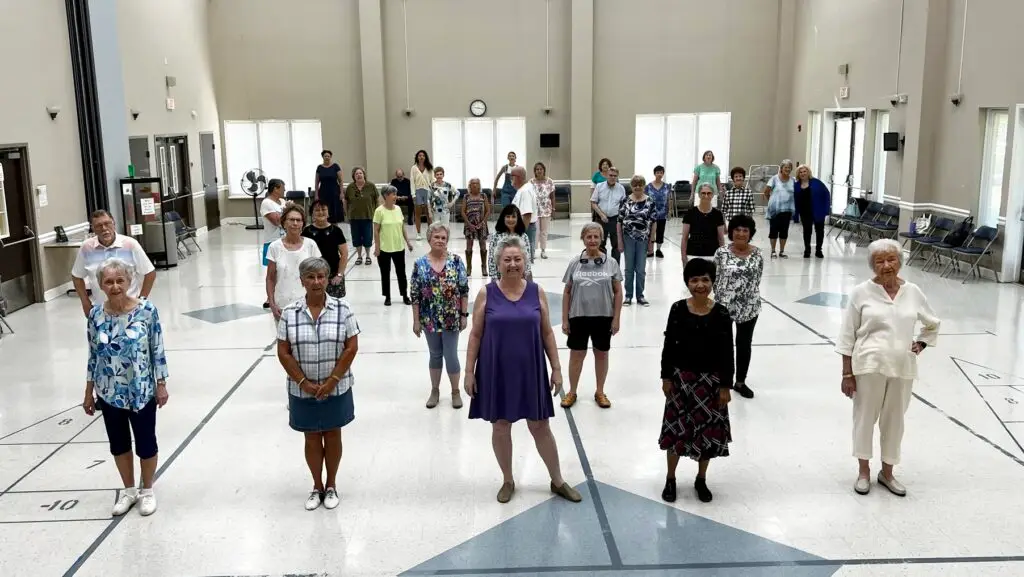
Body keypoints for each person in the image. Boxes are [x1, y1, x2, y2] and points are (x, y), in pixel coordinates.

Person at [465, 235, 583, 505]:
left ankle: (557, 480)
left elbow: (547, 334)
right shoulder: (487, 293)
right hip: (497, 371)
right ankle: (507, 479)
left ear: (525, 262)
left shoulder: (536, 291)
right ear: (498, 263)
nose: (513, 264)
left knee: (540, 426)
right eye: (507, 259)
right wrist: (469, 371)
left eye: (518, 259)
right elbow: (475, 336)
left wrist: (556, 368)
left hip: (531, 370)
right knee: (501, 425)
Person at [836, 239, 940, 497]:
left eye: (891, 259)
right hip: (868, 367)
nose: (886, 265)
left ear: (900, 262)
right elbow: (847, 335)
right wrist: (846, 373)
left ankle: (887, 473)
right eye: (880, 261)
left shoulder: (913, 292)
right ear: (872, 265)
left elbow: (932, 323)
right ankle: (863, 472)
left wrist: (922, 343)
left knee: (895, 422)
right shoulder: (861, 292)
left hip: (902, 367)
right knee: (864, 419)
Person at [83, 258, 169, 517]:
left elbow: (158, 350)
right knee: (118, 444)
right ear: (100, 285)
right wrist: (89, 392)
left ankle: (147, 490)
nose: (115, 286)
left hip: (141, 390)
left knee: (146, 442)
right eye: (108, 281)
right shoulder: (96, 315)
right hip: (109, 391)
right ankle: (130, 490)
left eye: (120, 280)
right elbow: (93, 354)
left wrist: (161, 384)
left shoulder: (146, 311)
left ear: (130, 281)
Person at [277, 257, 360, 511]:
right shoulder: (290, 313)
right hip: (302, 390)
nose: (316, 282)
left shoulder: (343, 309)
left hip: (337, 387)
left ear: (327, 279)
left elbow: (351, 346)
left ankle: (332, 484)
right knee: (311, 438)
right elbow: (283, 352)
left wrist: (333, 379)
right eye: (310, 277)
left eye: (321, 276)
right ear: (302, 281)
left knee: (333, 434)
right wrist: (303, 382)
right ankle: (317, 486)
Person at [659, 258, 734, 504]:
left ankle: (701, 478)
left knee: (706, 433)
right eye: (694, 280)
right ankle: (671, 478)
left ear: (712, 282)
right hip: (681, 380)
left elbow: (727, 351)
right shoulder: (678, 309)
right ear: (687, 283)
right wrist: (666, 376)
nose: (700, 285)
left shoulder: (722, 313)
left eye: (705, 280)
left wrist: (725, 385)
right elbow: (669, 344)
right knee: (676, 431)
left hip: (710, 384)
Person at [560, 223, 623, 409]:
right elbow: (567, 292)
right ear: (583, 239)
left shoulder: (611, 263)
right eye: (589, 237)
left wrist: (616, 318)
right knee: (576, 354)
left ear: (601, 239)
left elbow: (618, 292)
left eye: (596, 237)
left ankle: (600, 391)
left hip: (604, 316)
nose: (593, 240)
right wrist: (565, 319)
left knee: (601, 354)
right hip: (579, 316)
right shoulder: (574, 263)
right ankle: (572, 392)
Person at [410, 223, 470, 410]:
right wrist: (416, 320)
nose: (440, 241)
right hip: (429, 318)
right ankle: (435, 390)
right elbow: (415, 294)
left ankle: (455, 391)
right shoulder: (419, 264)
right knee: (435, 355)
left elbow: (463, 290)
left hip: (451, 317)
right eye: (436, 237)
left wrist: (463, 315)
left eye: (443, 238)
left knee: (451, 355)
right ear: (429, 239)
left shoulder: (456, 261)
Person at [713, 215, 763, 399]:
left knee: (744, 344)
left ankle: (740, 382)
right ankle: (723, 381)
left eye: (745, 230)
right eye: (737, 230)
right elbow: (716, 278)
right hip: (724, 306)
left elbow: (758, 278)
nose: (741, 233)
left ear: (750, 234)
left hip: (749, 307)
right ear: (731, 232)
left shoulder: (758, 253)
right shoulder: (721, 253)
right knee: (724, 346)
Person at [72, 210, 156, 317]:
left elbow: (150, 273)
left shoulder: (130, 244)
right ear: (93, 229)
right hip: (101, 311)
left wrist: (141, 300)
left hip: (130, 310)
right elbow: (76, 276)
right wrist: (85, 302)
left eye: (107, 223)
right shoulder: (86, 248)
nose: (104, 228)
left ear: (113, 223)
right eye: (99, 226)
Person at [266, 206, 322, 322]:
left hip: (308, 305)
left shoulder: (311, 245)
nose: (295, 223)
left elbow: (320, 276)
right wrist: (272, 303)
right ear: (284, 223)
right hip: (282, 305)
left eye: (298, 220)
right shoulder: (274, 247)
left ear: (303, 224)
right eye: (291, 220)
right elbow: (270, 278)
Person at [617, 175, 656, 306]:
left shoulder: (650, 201)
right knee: (628, 268)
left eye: (640, 184)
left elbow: (654, 223)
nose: (637, 187)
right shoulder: (625, 201)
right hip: (628, 238)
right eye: (635, 185)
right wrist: (620, 241)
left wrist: (651, 242)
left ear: (644, 186)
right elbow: (619, 222)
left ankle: (640, 296)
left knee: (640, 269)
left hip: (643, 239)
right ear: (631, 186)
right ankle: (628, 296)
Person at [373, 185, 414, 306]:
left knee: (401, 273)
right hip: (384, 248)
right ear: (386, 196)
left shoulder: (398, 209)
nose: (395, 197)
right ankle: (387, 296)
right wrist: (377, 247)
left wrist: (408, 242)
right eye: (393, 194)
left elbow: (402, 227)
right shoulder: (379, 211)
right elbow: (376, 230)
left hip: (398, 247)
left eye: (396, 194)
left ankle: (405, 295)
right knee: (385, 273)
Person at [302, 200, 349, 298]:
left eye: (323, 209)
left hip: (333, 276)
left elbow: (344, 254)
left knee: (334, 307)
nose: (321, 212)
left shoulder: (336, 231)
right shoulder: (307, 231)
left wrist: (339, 275)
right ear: (312, 214)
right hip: (313, 276)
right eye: (317, 210)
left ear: (328, 213)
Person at [680, 184, 725, 263]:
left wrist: (722, 257)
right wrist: (683, 257)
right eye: (703, 193)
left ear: (713, 195)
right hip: (693, 254)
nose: (706, 196)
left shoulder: (718, 214)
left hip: (713, 255)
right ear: (699, 195)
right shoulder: (690, 213)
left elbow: (721, 238)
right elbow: (685, 238)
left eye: (709, 193)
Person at [343, 167, 379, 266]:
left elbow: (377, 200)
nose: (358, 175)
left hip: (368, 216)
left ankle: (368, 256)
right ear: (354, 176)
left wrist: (377, 213)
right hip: (354, 217)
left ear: (364, 175)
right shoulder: (350, 187)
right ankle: (359, 256)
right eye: (356, 174)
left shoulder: (371, 186)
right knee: (356, 238)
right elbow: (346, 202)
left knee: (367, 237)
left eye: (360, 173)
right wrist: (346, 214)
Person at [794, 165, 831, 259]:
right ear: (798, 174)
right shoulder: (797, 185)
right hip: (804, 211)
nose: (802, 173)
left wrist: (826, 209)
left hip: (818, 210)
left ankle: (819, 250)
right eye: (800, 172)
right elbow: (794, 199)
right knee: (807, 231)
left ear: (808, 172)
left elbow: (826, 194)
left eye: (804, 171)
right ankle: (807, 250)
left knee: (819, 231)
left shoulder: (817, 183)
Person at [590, 166, 626, 263]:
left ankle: (615, 267)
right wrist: (601, 214)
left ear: (617, 177)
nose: (612, 177)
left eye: (615, 176)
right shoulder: (599, 186)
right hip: (601, 219)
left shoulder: (621, 188)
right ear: (607, 175)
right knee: (600, 243)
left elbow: (624, 205)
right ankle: (601, 264)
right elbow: (593, 202)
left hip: (615, 220)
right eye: (610, 175)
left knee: (616, 245)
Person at [487, 204, 533, 280]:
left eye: (513, 217)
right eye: (508, 217)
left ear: (518, 219)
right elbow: (491, 258)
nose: (510, 219)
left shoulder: (524, 236)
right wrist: (494, 277)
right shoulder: (496, 236)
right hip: (501, 277)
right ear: (503, 218)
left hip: (519, 277)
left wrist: (526, 275)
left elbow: (527, 259)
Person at [764, 159, 796, 259]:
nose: (787, 169)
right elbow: (766, 192)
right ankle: (773, 251)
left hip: (787, 210)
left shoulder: (793, 180)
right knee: (773, 230)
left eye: (789, 167)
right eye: (785, 167)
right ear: (781, 168)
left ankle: (782, 251)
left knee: (784, 231)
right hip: (775, 210)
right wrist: (772, 202)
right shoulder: (774, 179)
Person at [461, 178, 491, 276]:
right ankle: (469, 267)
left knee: (483, 245)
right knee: (469, 246)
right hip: (469, 225)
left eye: (476, 183)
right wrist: (468, 224)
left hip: (481, 224)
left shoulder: (483, 195)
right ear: (470, 185)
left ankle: (484, 267)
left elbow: (488, 210)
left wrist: (483, 222)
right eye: (472, 183)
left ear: (479, 185)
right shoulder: (466, 196)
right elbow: (462, 211)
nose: (474, 185)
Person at [510, 166, 537, 263]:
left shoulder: (525, 191)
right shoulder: (523, 189)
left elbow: (527, 215)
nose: (511, 180)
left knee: (524, 262)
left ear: (518, 177)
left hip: (526, 228)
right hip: (524, 228)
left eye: (511, 177)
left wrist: (521, 236)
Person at [645, 165, 670, 258]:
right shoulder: (648, 186)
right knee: (650, 232)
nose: (659, 174)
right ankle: (650, 250)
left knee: (660, 232)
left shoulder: (667, 186)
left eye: (661, 172)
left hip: (662, 214)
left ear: (663, 174)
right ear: (654, 173)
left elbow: (668, 200)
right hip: (651, 213)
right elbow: (645, 199)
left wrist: (669, 211)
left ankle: (658, 249)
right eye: (657, 172)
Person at [531, 162, 555, 259]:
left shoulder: (550, 181)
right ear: (535, 171)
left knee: (544, 231)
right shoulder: (531, 182)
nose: (539, 171)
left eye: (541, 169)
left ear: (544, 170)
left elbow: (552, 197)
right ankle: (533, 250)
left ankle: (543, 251)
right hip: (534, 210)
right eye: (537, 169)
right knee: (535, 231)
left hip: (546, 209)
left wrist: (553, 209)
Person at [315, 150, 344, 223]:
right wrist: (316, 195)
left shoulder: (335, 166)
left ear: (331, 157)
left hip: (334, 192)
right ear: (323, 157)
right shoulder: (319, 167)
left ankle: (335, 228)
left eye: (328, 156)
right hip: (323, 193)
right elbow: (316, 182)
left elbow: (340, 181)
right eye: (325, 156)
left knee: (334, 212)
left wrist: (341, 193)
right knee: (324, 210)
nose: (327, 157)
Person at [411, 150, 434, 240]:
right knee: (418, 213)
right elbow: (412, 181)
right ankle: (418, 233)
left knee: (429, 213)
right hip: (417, 192)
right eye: (419, 155)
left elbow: (433, 180)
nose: (421, 157)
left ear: (425, 157)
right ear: (417, 157)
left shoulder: (429, 167)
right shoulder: (413, 168)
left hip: (428, 191)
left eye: (423, 155)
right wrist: (413, 194)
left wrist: (433, 192)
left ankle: (430, 233)